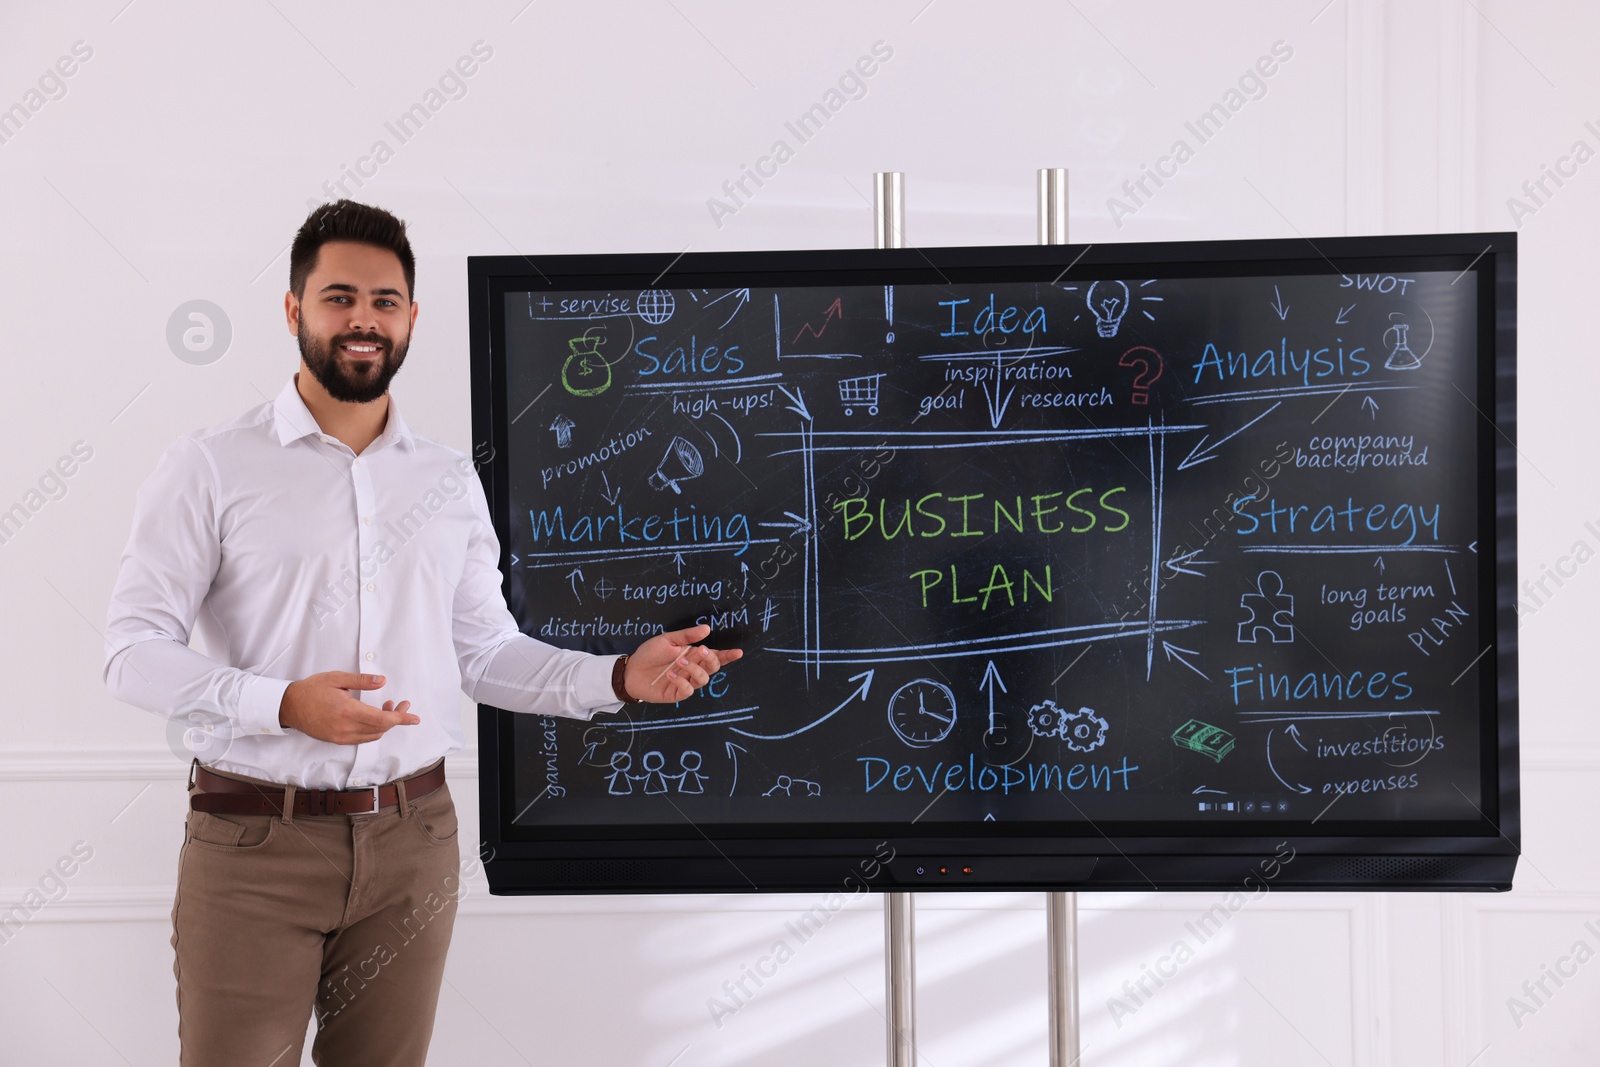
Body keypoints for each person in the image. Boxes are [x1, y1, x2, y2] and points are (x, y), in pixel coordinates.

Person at [102, 199, 742, 1066]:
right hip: (254, 845)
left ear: (409, 318)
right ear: (294, 311)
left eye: (385, 300)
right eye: (338, 298)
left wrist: (621, 676)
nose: (363, 319)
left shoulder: (447, 480)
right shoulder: (209, 466)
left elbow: (486, 654)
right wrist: (283, 703)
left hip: (413, 841)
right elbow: (132, 652)